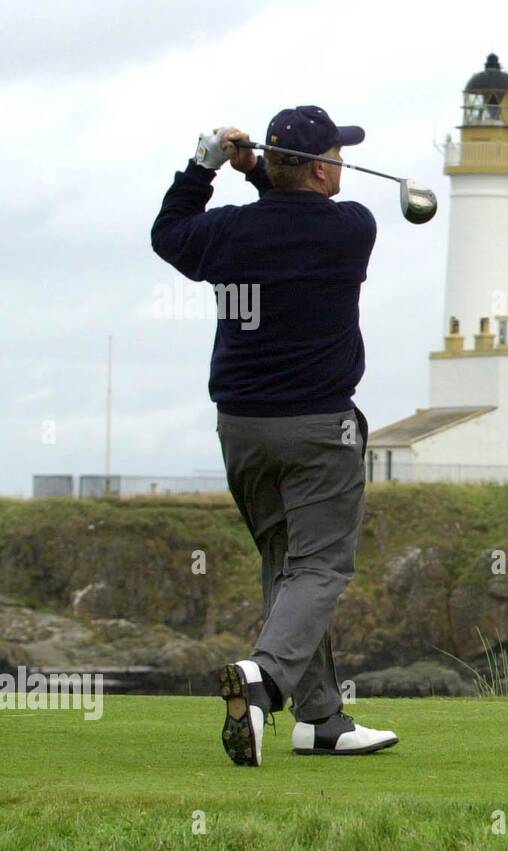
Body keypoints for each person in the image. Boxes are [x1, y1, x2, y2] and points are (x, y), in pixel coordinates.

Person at [152, 106, 398, 766]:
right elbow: (295, 217)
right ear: (320, 169)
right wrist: (261, 171)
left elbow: (169, 233)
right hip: (320, 429)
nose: (344, 164)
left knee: (287, 565)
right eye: (337, 156)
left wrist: (206, 167)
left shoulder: (229, 233)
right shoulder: (352, 229)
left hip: (242, 429)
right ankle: (263, 680)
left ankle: (322, 719)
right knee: (320, 566)